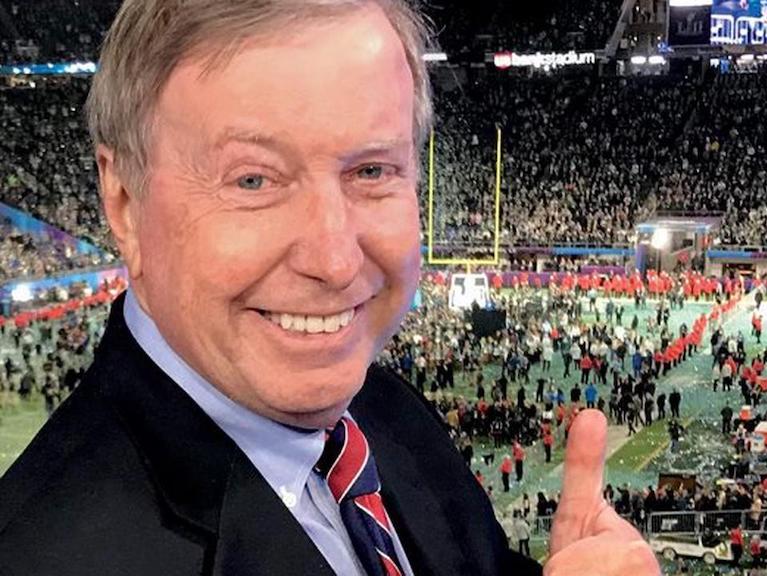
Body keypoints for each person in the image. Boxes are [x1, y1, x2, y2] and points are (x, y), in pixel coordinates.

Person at [0, 2, 658, 576]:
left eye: (372, 171)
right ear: (123, 203)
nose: (336, 262)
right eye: (253, 180)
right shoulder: (44, 554)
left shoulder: (381, 410)